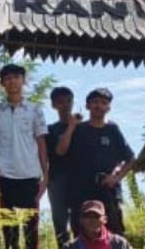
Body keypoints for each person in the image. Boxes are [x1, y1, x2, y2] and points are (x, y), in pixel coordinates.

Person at [0, 63, 48, 249]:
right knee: (8, 227)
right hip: (6, 177)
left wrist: (45, 177)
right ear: (3, 84)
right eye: (7, 78)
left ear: (23, 81)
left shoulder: (34, 110)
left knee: (31, 228)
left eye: (16, 77)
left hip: (30, 176)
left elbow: (41, 144)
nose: (12, 82)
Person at [58, 87, 135, 234]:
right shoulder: (78, 128)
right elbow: (61, 151)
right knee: (80, 231)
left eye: (104, 103)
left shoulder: (112, 129)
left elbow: (130, 158)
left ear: (108, 107)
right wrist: (71, 126)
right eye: (95, 102)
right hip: (80, 189)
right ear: (88, 105)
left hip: (107, 189)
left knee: (114, 230)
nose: (99, 105)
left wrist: (116, 177)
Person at [46, 86, 84, 247]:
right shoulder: (50, 130)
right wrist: (71, 126)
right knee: (60, 224)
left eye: (68, 101)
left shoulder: (84, 128)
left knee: (80, 222)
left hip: (80, 180)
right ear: (54, 105)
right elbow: (60, 151)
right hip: (57, 181)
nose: (65, 105)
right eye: (60, 102)